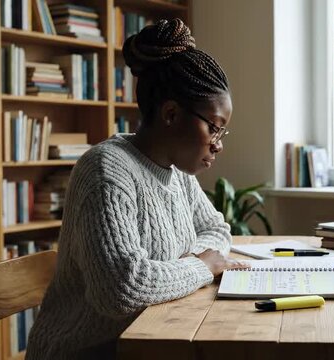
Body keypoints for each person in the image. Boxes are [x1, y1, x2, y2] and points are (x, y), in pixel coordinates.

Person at [26, 18, 247, 359]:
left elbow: (215, 229)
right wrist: (201, 267)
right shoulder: (106, 170)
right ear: (171, 114)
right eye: (214, 129)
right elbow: (121, 289)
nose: (218, 145)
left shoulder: (177, 172)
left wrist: (193, 261)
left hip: (149, 338)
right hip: (85, 351)